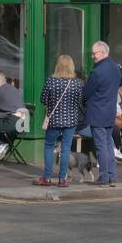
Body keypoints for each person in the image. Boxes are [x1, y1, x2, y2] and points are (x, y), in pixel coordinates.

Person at [37, 55, 83, 186]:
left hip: (54, 120)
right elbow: (80, 102)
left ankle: (47, 177)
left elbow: (43, 99)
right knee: (66, 149)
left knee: (49, 146)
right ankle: (62, 179)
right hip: (71, 120)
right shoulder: (77, 83)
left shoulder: (51, 81)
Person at [82, 40, 121, 187]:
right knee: (108, 145)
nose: (92, 56)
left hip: (97, 113)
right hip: (109, 112)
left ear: (103, 52)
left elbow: (86, 93)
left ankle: (104, 177)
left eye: (94, 53)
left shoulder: (97, 72)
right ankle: (112, 176)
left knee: (101, 147)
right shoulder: (116, 68)